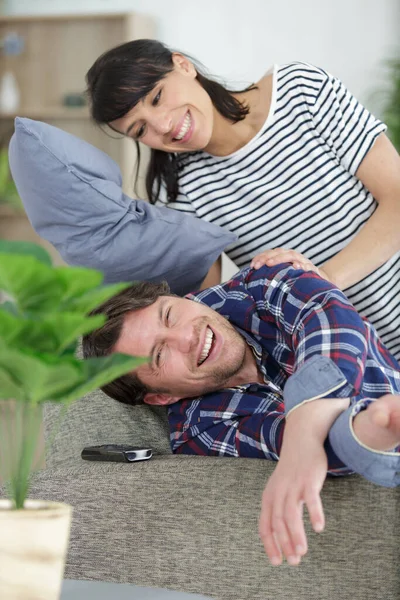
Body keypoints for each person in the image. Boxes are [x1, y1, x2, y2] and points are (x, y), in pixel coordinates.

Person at [86, 39, 400, 360]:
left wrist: (325, 279)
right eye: (141, 130)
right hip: (356, 360)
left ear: (183, 65)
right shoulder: (179, 193)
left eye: (157, 98)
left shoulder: (300, 92)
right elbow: (206, 306)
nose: (163, 126)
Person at [82, 261, 400, 568]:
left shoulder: (260, 285)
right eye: (161, 354)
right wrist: (361, 431)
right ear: (163, 396)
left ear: (180, 298)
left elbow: (326, 313)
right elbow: (297, 455)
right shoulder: (201, 430)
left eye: (170, 315)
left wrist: (304, 427)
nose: (187, 337)